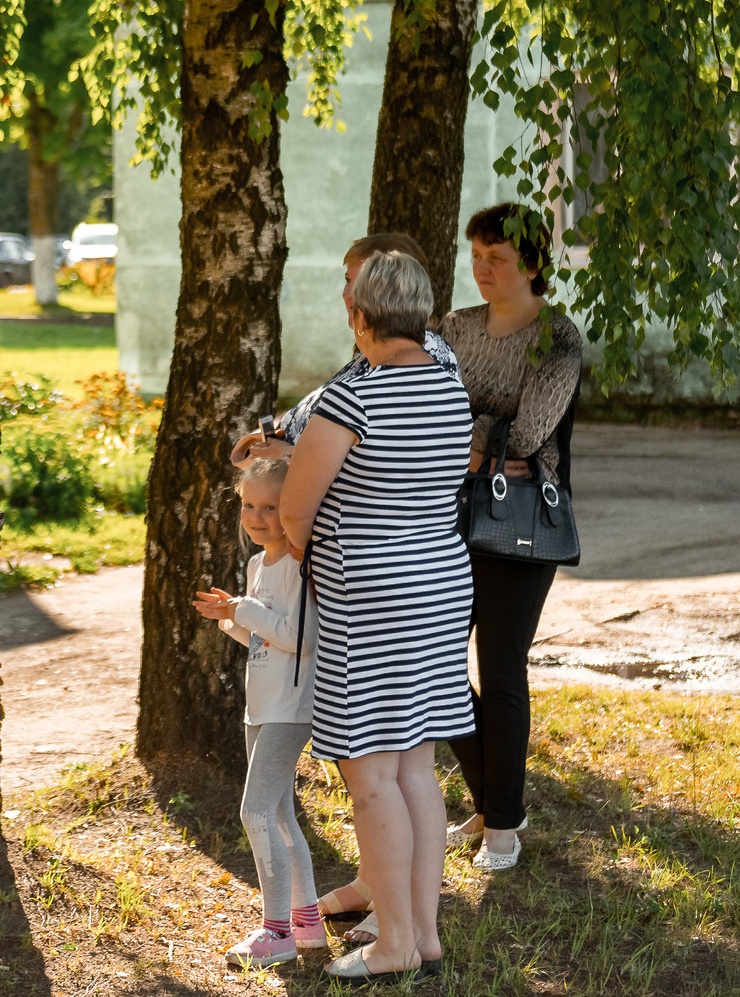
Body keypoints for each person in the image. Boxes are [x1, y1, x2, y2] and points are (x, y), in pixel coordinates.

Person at [277, 250, 475, 983]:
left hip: (371, 598)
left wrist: (314, 547)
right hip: (440, 586)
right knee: (416, 763)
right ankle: (421, 931)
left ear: (358, 312)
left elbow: (295, 509)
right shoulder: (448, 384)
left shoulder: (351, 400)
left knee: (369, 775)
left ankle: (391, 942)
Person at [438, 201, 583, 872]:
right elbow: (426, 410)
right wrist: (483, 434)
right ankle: (494, 801)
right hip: (443, 511)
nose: (481, 268)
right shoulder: (454, 327)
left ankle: (502, 828)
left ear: (530, 262)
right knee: (438, 668)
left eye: (495, 257)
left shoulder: (557, 336)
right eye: (476, 255)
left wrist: (472, 433)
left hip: (521, 519)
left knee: (498, 666)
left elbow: (529, 435)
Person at [190, 457, 323, 968]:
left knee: (255, 811)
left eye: (270, 506)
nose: (257, 515)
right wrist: (230, 618)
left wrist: (244, 609)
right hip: (261, 706)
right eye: (249, 505)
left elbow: (300, 638)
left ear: (292, 508)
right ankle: (307, 922)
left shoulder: (299, 562)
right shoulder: (256, 566)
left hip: (292, 707)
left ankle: (276, 932)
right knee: (281, 813)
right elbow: (264, 638)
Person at [231, 232, 456, 470]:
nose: (347, 294)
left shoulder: (427, 354)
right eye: (348, 280)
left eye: (360, 284)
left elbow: (392, 454)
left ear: (401, 288)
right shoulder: (375, 354)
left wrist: (287, 453)